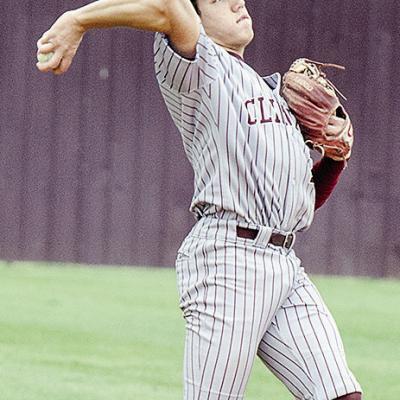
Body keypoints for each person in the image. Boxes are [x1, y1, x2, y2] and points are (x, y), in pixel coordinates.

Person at [37, 1, 363, 399]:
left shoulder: (275, 95)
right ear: (199, 21)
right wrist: (78, 20)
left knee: (340, 395)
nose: (235, 3)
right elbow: (166, 9)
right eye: (214, 1)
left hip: (284, 264)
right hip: (229, 260)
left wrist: (334, 160)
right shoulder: (200, 68)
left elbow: (295, 208)